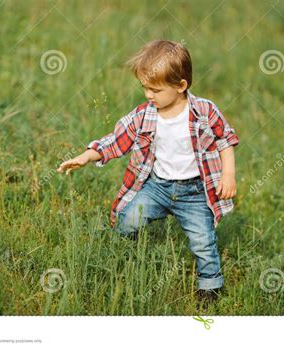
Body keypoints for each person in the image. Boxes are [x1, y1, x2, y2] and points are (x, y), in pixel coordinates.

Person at [57, 40, 239, 307]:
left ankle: (210, 286)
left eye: (155, 89)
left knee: (203, 241)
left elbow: (225, 140)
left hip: (195, 192)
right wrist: (87, 156)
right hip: (157, 186)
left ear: (181, 86)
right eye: (144, 87)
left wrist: (228, 175)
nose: (148, 95)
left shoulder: (205, 111)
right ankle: (120, 254)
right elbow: (116, 140)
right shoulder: (144, 115)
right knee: (128, 219)